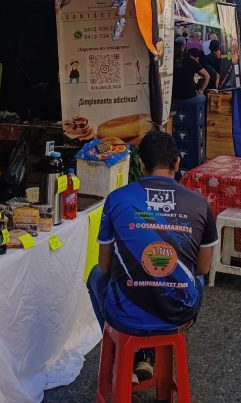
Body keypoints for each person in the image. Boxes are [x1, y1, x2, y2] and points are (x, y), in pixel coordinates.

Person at [88, 131, 217, 383]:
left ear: (140, 164)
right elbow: (202, 267)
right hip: (179, 314)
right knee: (195, 280)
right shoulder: (199, 203)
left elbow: (104, 266)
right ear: (177, 163)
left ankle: (126, 351)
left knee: (95, 276)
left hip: (125, 316)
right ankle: (145, 354)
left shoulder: (117, 199)